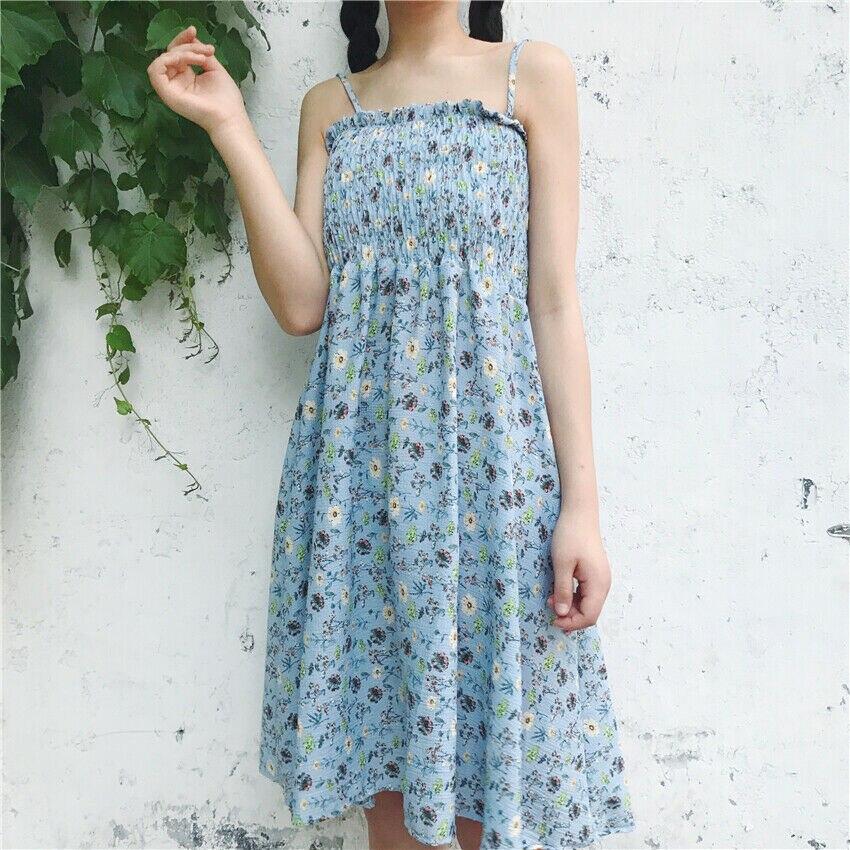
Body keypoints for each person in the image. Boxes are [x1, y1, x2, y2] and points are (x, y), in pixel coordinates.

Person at [148, 2, 636, 848]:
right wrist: (229, 125)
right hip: (361, 492)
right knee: (390, 794)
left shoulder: (531, 77)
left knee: (490, 784)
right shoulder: (331, 107)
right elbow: (302, 304)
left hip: (492, 486)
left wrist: (581, 510)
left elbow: (555, 302)